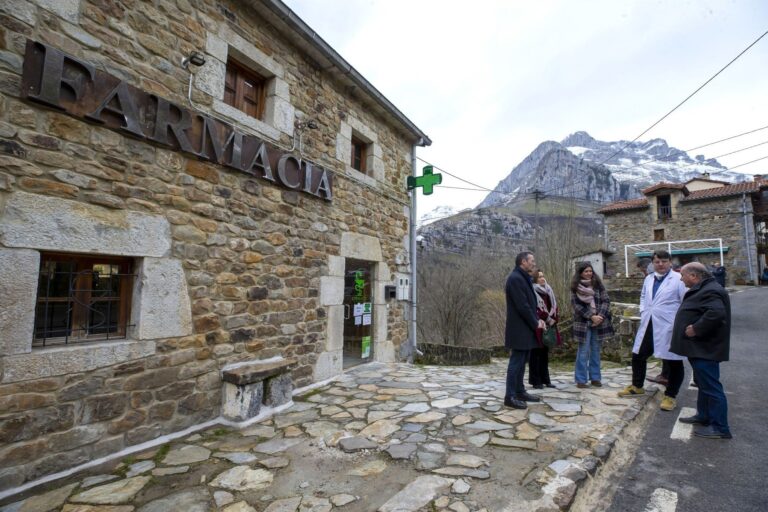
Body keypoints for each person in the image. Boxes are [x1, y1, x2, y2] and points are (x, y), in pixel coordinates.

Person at [618, 250, 688, 411]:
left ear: (670, 262)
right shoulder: (649, 279)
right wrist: (643, 310)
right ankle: (637, 386)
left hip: (669, 326)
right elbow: (643, 297)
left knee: (673, 360)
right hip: (649, 322)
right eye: (657, 262)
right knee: (638, 355)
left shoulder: (678, 279)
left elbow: (685, 302)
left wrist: (680, 322)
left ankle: (670, 396)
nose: (661, 264)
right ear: (653, 263)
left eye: (664, 261)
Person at [670, 262, 732, 439]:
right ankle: (704, 416)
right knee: (704, 385)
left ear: (694, 276)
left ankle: (720, 427)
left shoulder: (711, 290)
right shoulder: (707, 288)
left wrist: (696, 328)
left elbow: (716, 313)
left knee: (711, 387)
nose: (681, 279)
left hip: (706, 348)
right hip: (700, 348)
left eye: (683, 275)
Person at [504, 251, 547, 409]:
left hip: (525, 328)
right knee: (516, 362)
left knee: (522, 362)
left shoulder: (523, 278)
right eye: (531, 261)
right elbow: (523, 306)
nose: (534, 263)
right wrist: (535, 322)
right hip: (518, 328)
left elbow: (530, 304)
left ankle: (520, 391)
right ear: (523, 261)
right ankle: (510, 396)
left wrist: (537, 320)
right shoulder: (515, 279)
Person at [570, 262, 614, 388]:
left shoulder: (598, 285)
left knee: (595, 350)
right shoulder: (575, 287)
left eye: (590, 271)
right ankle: (581, 380)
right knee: (583, 351)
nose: (589, 273)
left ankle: (595, 378)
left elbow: (606, 300)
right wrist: (591, 316)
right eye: (586, 271)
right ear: (580, 273)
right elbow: (576, 306)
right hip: (583, 323)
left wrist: (600, 316)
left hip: (599, 322)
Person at [528, 270, 561, 389]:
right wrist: (547, 318)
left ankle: (546, 380)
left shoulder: (548, 291)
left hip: (549, 325)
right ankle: (536, 381)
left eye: (543, 276)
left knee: (544, 354)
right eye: (539, 277)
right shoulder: (532, 291)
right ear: (535, 280)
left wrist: (554, 318)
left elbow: (554, 306)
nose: (542, 279)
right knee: (535, 354)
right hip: (538, 326)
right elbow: (534, 309)